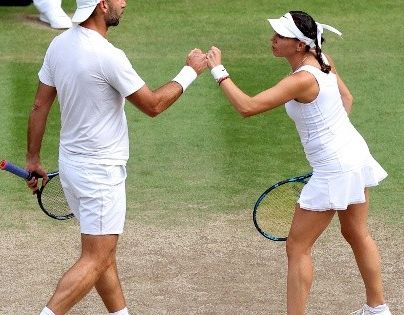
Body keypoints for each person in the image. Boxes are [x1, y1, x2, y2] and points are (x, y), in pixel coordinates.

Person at [25, 0, 207, 314]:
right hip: (100, 173)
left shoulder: (58, 45)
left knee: (102, 254)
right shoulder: (109, 56)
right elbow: (153, 105)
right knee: (95, 260)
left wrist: (32, 159)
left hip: (72, 168)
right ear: (102, 5)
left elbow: (40, 106)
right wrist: (190, 71)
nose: (124, 3)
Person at [206, 10, 391, 315]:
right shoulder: (323, 60)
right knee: (357, 233)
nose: (273, 40)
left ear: (301, 45)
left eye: (281, 36)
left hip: (337, 166)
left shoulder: (302, 80)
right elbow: (347, 100)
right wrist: (334, 145)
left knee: (297, 246)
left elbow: (247, 107)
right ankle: (377, 308)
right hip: (354, 156)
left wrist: (218, 70)